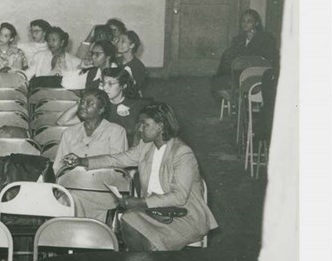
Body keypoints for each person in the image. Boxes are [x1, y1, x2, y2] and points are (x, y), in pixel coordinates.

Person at [61, 102, 217, 251]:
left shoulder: (182, 153)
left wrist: (142, 202)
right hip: (155, 211)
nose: (140, 129)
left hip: (184, 215)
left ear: (161, 127)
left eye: (145, 124)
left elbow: (179, 197)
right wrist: (82, 161)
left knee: (151, 241)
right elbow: (117, 159)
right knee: (128, 220)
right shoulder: (146, 146)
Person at [51, 88, 128, 175]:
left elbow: (118, 166)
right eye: (82, 102)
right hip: (73, 184)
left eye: (90, 104)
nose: (83, 106)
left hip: (104, 184)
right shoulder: (69, 133)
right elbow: (58, 167)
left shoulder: (116, 131)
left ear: (101, 109)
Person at [211, 9, 278, 96]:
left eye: (249, 21)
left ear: (256, 23)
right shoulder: (238, 39)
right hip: (239, 73)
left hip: (258, 76)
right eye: (243, 21)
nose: (245, 24)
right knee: (228, 56)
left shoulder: (265, 38)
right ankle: (229, 92)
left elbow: (266, 58)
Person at [117, 29, 149, 95]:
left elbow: (137, 90)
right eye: (118, 41)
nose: (118, 44)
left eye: (123, 41)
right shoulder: (116, 61)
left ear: (132, 45)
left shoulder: (138, 66)